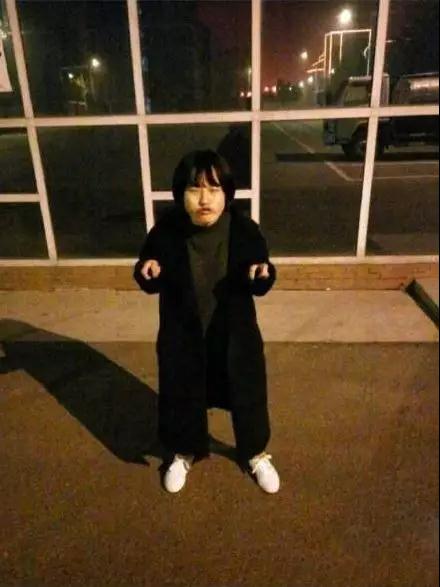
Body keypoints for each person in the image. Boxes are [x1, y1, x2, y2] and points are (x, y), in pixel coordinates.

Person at [133, 150, 280, 494]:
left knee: (247, 395)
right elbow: (148, 269)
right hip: (183, 335)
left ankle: (255, 453)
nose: (204, 199)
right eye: (194, 189)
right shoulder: (166, 231)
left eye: (214, 189)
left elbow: (261, 273)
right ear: (179, 193)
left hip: (234, 335)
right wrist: (147, 270)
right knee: (182, 393)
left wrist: (263, 273)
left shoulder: (244, 230)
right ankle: (183, 452)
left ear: (227, 193)